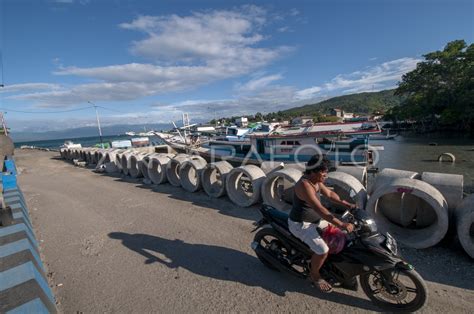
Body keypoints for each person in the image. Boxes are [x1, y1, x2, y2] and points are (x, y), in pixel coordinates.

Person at [288, 154, 355, 293]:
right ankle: (315, 275)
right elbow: (320, 209)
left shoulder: (316, 181)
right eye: (323, 172)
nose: (325, 175)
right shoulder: (304, 185)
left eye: (326, 172)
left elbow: (330, 195)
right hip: (301, 224)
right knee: (322, 250)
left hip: (315, 221)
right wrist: (341, 224)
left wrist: (347, 204)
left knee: (342, 236)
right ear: (312, 171)